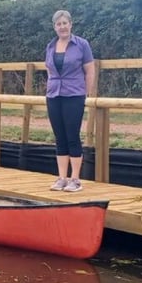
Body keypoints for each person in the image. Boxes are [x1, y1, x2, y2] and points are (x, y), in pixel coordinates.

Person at [45, 10, 95, 192]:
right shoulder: (50, 46)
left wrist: (86, 93)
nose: (62, 27)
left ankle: (75, 179)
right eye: (59, 24)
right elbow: (49, 69)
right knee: (60, 136)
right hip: (54, 94)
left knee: (72, 135)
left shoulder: (81, 45)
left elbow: (90, 70)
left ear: (71, 24)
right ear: (54, 27)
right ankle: (61, 178)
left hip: (74, 94)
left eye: (65, 23)